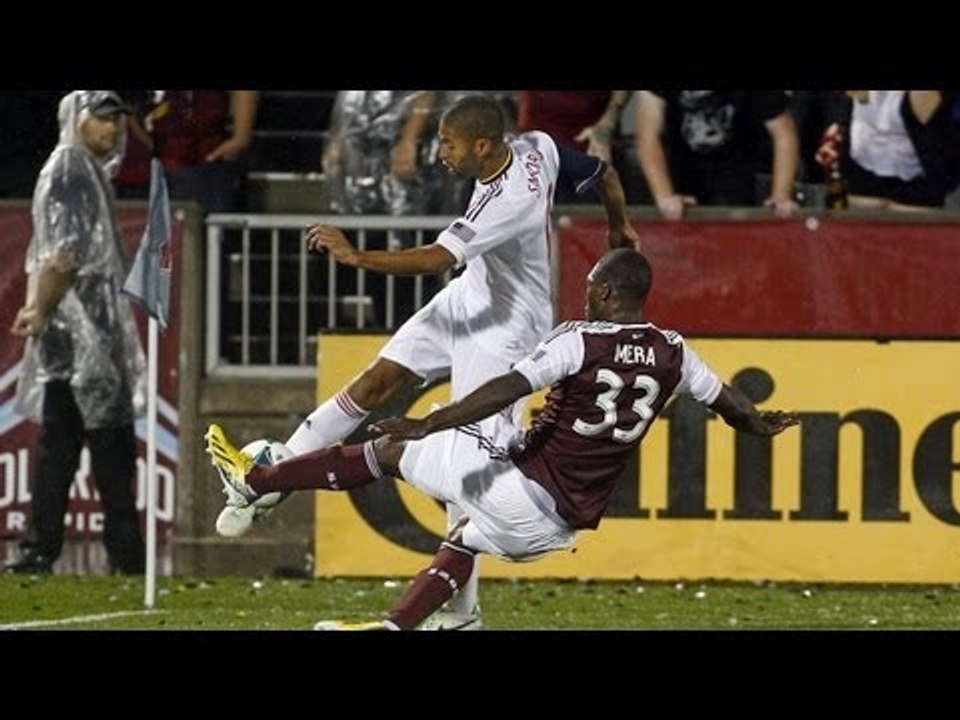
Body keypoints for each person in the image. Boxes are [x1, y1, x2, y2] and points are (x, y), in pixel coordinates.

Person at [213, 93, 640, 629]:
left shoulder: (505, 200)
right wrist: (619, 228)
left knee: (469, 468)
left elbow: (436, 258)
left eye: (449, 143)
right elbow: (603, 171)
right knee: (377, 381)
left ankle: (461, 613)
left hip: (506, 331)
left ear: (483, 147)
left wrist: (354, 255)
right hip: (471, 296)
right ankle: (270, 475)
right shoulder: (537, 147)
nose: (441, 151)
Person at [205, 248, 799, 629]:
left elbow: (501, 390)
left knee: (391, 452)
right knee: (462, 534)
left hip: (525, 490)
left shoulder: (579, 340)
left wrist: (424, 423)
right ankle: (397, 628)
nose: (587, 291)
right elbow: (732, 405)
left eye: (594, 285)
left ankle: (257, 481)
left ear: (612, 294)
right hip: (558, 529)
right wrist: (763, 426)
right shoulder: (674, 351)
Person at [5, 91, 147, 575]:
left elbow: (52, 254)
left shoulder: (83, 172)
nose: (112, 129)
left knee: (63, 446)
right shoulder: (69, 172)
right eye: (102, 119)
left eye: (117, 121)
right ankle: (122, 555)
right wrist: (41, 310)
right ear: (77, 119)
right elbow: (62, 255)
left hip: (82, 333)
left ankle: (40, 550)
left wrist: (40, 308)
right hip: (83, 335)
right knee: (107, 448)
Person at [635, 90, 800, 220]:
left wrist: (781, 196)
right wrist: (664, 195)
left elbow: (784, 133)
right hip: (677, 171)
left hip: (734, 173)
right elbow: (647, 135)